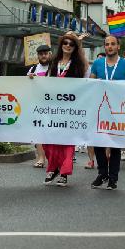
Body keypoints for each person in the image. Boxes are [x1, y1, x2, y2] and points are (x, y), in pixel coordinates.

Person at [90, 35, 125, 190]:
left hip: (118, 111)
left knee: (116, 144)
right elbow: (90, 85)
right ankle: (102, 173)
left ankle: (113, 178)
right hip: (100, 109)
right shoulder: (97, 64)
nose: (109, 47)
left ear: (118, 46)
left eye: (112, 44)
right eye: (107, 44)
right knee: (98, 143)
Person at [42, 32, 89, 187]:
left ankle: (64, 172)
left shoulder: (80, 65)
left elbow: (85, 85)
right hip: (53, 108)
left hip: (70, 108)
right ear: (61, 45)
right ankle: (54, 167)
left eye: (71, 44)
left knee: (67, 141)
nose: (68, 46)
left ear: (75, 48)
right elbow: (46, 82)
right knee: (48, 141)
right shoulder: (53, 62)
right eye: (65, 43)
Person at [27, 44, 52, 168]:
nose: (43, 55)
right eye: (41, 54)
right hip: (37, 106)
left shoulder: (55, 68)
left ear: (49, 54)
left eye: (45, 53)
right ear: (37, 55)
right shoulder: (32, 70)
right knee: (38, 132)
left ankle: (52, 159)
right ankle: (41, 158)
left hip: (52, 107)